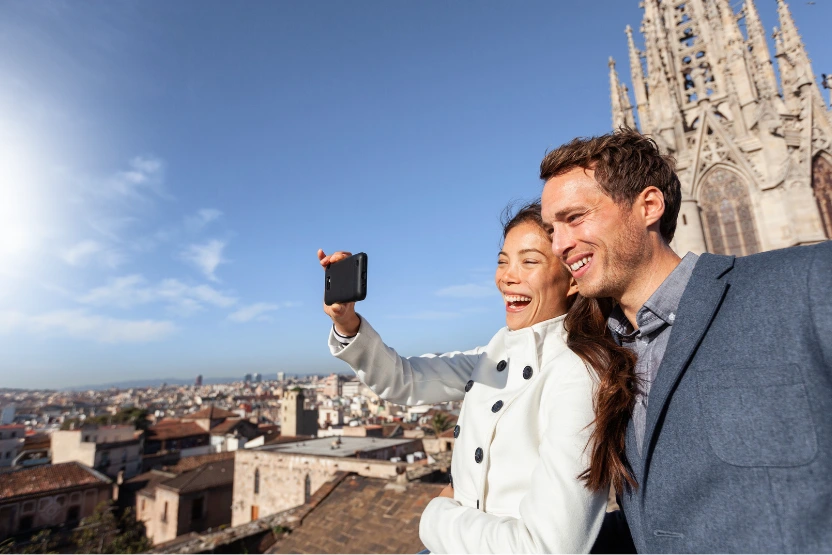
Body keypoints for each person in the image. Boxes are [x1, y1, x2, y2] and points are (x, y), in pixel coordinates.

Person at [539, 128, 832, 553]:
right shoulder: (601, 358)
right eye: (551, 229)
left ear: (649, 206)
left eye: (575, 217)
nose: (560, 245)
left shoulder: (802, 282)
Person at [317, 201, 637, 553]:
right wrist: (346, 322)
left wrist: (436, 516)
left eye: (529, 261)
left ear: (571, 282)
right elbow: (403, 379)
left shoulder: (579, 371)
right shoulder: (497, 351)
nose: (507, 277)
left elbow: (547, 546)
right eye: (503, 261)